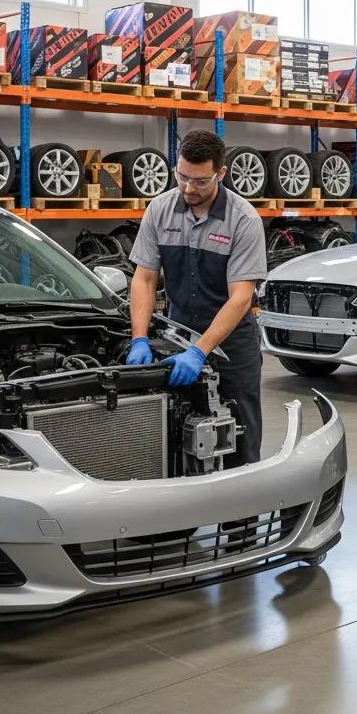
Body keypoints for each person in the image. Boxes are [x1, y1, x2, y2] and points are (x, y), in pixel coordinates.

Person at [126, 130, 267, 467]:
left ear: (221, 173)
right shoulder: (160, 210)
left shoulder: (243, 220)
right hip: (178, 336)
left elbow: (240, 298)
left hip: (232, 346)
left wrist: (199, 351)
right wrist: (139, 338)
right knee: (174, 437)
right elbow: (144, 278)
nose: (189, 188)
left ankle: (241, 521)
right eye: (182, 177)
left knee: (239, 438)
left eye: (200, 181)